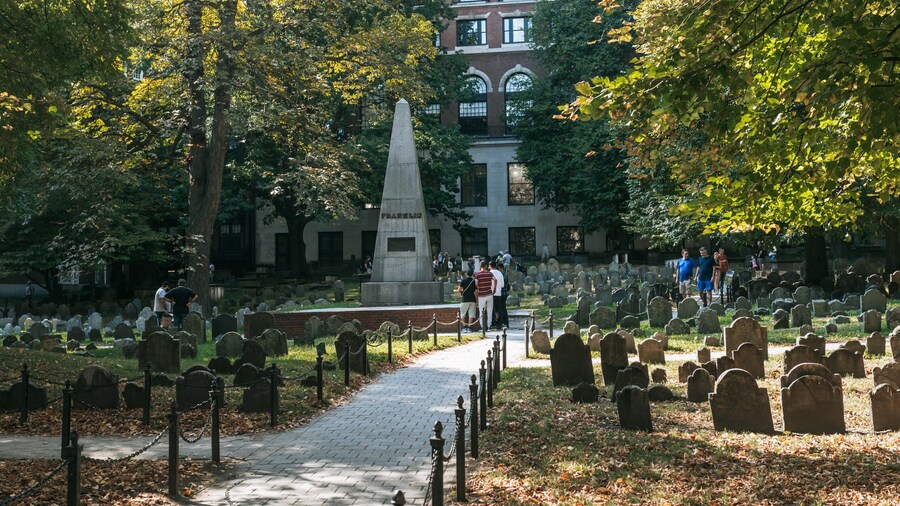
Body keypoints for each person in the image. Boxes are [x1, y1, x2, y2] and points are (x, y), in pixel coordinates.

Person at [473, 261, 496, 330]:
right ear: (486, 266)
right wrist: (494, 289)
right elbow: (495, 280)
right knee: (489, 310)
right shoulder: (490, 273)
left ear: (480, 266)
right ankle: (489, 326)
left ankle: (482, 326)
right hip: (489, 293)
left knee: (481, 311)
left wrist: (479, 287)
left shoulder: (477, 274)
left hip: (481, 295)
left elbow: (476, 284)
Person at [489, 260, 505, 329]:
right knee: (499, 309)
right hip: (498, 293)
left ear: (490, 266)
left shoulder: (489, 273)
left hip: (491, 293)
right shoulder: (500, 273)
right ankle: (500, 323)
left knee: (492, 309)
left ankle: (493, 323)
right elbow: (502, 285)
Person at [497, 263, 510, 327]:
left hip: (501, 292)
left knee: (501, 308)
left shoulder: (501, 275)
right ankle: (506, 323)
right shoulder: (505, 274)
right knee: (504, 308)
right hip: (505, 292)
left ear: (500, 268)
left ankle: (502, 322)